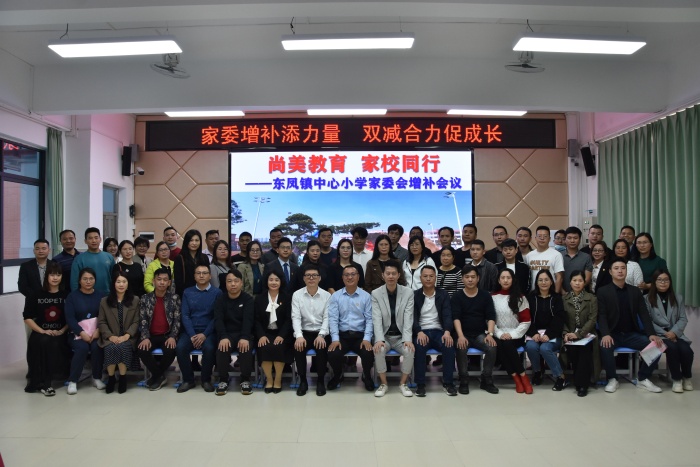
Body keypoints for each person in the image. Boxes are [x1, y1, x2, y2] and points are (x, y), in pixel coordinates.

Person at [598, 258, 664, 393]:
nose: (620, 271)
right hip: (613, 334)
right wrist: (605, 334)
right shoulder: (603, 291)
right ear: (610, 272)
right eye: (616, 268)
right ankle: (612, 379)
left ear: (626, 271)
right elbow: (602, 315)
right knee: (605, 346)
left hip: (631, 334)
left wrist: (651, 334)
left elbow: (644, 314)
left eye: (623, 268)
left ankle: (643, 378)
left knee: (658, 346)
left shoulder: (635, 291)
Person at [451, 265, 499, 394]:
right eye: (467, 277)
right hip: (463, 334)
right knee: (461, 347)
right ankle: (463, 379)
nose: (470, 280)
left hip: (480, 334)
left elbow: (491, 316)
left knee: (492, 347)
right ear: (462, 279)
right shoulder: (457, 296)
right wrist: (460, 336)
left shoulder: (485, 295)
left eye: (473, 277)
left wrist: (490, 334)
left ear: (478, 278)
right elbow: (456, 318)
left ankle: (486, 379)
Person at [23, 262, 69, 396]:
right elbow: (27, 317)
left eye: (58, 275)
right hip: (40, 331)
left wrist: (62, 330)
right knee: (41, 342)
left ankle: (46, 383)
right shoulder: (36, 294)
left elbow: (72, 319)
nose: (55, 278)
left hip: (61, 332)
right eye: (52, 275)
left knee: (51, 343)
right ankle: (42, 382)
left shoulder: (66, 295)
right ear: (47, 276)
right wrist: (42, 331)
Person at [327, 264, 375, 392]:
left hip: (360, 335)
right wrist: (335, 339)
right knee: (333, 353)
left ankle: (367, 376)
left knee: (368, 353)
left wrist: (367, 338)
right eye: (346, 275)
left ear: (358, 277)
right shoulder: (336, 296)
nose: (350, 277)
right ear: (342, 278)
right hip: (342, 335)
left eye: (353, 274)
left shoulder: (366, 296)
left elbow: (370, 319)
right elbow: (333, 319)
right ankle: (338, 375)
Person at [371, 260, 415, 397]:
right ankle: (384, 384)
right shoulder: (376, 293)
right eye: (388, 273)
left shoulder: (408, 292)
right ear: (383, 275)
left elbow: (408, 318)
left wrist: (407, 339)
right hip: (385, 336)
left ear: (398, 275)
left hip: (401, 336)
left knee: (409, 350)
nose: (391, 276)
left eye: (393, 273)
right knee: (379, 350)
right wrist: (379, 339)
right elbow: (376, 319)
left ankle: (403, 383)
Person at [175, 264, 222, 393]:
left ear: (210, 276)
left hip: (209, 332)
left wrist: (204, 334)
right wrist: (192, 334)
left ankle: (206, 380)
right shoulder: (187, 292)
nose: (201, 276)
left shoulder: (217, 293)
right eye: (198, 273)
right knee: (180, 348)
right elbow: (185, 315)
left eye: (205, 273)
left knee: (210, 348)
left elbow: (216, 317)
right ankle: (188, 380)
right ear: (194, 276)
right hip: (190, 331)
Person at [645, 269, 693, 393]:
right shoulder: (647, 299)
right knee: (672, 349)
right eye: (660, 280)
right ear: (654, 282)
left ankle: (687, 377)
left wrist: (674, 332)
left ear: (670, 282)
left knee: (687, 350)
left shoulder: (678, 298)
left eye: (666, 280)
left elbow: (683, 318)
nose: (663, 282)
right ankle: (677, 379)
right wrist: (665, 333)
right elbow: (648, 321)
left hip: (676, 334)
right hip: (659, 335)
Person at [413, 265, 456, 397]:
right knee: (419, 347)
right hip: (422, 331)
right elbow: (412, 317)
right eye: (425, 276)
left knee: (449, 345)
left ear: (435, 278)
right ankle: (420, 384)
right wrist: (418, 331)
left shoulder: (443, 294)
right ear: (420, 278)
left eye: (431, 276)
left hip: (439, 331)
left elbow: (447, 315)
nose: (428, 279)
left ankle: (448, 383)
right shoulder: (415, 295)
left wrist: (447, 331)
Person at [137, 267, 181, 391]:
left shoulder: (174, 298)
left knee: (171, 350)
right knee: (142, 349)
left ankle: (156, 376)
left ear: (169, 282)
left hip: (167, 335)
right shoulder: (145, 298)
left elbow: (177, 320)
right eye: (159, 279)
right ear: (153, 281)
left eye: (165, 280)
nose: (162, 282)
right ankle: (159, 376)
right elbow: (143, 319)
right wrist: (145, 337)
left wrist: (172, 336)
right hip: (151, 335)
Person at [292, 264, 332, 396]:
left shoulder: (326, 295)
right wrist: (299, 336)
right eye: (308, 275)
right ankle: (303, 381)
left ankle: (320, 381)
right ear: (303, 278)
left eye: (314, 275)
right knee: (299, 347)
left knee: (321, 348)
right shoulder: (297, 295)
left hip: (321, 331)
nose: (311, 278)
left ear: (319, 278)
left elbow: (327, 317)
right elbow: (296, 317)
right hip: (304, 332)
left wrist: (322, 335)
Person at [65, 267, 107, 394]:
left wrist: (99, 330)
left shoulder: (101, 296)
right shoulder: (72, 297)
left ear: (95, 280)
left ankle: (96, 377)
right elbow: (70, 318)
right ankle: (73, 381)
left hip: (96, 333)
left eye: (91, 279)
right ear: (79, 281)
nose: (88, 281)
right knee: (82, 348)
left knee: (97, 346)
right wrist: (81, 332)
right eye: (85, 279)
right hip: (77, 334)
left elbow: (105, 316)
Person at [213, 269, 255, 396]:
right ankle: (223, 380)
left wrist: (244, 337)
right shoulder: (220, 299)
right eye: (229, 281)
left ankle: (245, 379)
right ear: (225, 283)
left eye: (236, 281)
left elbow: (248, 320)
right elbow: (218, 320)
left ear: (241, 283)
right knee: (222, 348)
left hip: (244, 333)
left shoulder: (248, 299)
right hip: (227, 334)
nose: (233, 284)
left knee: (245, 348)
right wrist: (223, 336)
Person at [98, 270, 140, 394]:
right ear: (113, 284)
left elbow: (136, 321)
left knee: (123, 347)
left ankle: (122, 378)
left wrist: (127, 335)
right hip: (110, 337)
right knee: (110, 348)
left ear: (128, 284)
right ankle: (111, 378)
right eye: (118, 282)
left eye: (124, 281)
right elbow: (101, 322)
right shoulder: (104, 301)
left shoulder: (135, 300)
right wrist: (110, 336)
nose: (121, 284)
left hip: (128, 337)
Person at [492, 269, 533, 394]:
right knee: (501, 344)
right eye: (503, 278)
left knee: (507, 344)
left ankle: (522, 377)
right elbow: (489, 320)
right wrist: (500, 334)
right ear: (499, 280)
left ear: (513, 280)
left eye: (508, 278)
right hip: (498, 334)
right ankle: (518, 378)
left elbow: (526, 321)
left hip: (516, 334)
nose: (505, 280)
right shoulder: (492, 297)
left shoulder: (521, 298)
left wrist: (511, 334)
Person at [525, 270, 566, 390]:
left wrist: (549, 334)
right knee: (531, 347)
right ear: (537, 282)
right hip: (535, 334)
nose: (543, 282)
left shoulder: (557, 298)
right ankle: (538, 372)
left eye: (546, 280)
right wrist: (533, 333)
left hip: (552, 335)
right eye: (540, 280)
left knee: (545, 348)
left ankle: (560, 376)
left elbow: (559, 319)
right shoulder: (530, 298)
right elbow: (526, 318)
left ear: (551, 282)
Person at [562, 270, 599, 397]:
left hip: (587, 334)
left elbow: (592, 320)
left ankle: (583, 385)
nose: (577, 283)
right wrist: (566, 333)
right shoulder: (564, 299)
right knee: (572, 351)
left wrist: (579, 334)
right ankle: (578, 380)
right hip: (569, 334)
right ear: (570, 282)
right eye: (574, 280)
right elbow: (562, 319)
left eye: (580, 280)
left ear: (584, 282)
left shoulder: (592, 298)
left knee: (584, 352)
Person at [254, 269, 292, 393]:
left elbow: (288, 320)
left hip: (282, 333)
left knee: (278, 347)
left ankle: (278, 379)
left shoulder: (287, 298)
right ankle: (269, 380)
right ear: (266, 281)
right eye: (271, 280)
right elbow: (256, 320)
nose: (274, 282)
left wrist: (281, 335)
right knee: (264, 347)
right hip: (265, 333)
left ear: (281, 282)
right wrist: (261, 335)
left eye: (277, 280)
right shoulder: (259, 298)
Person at [70, 227, 116, 295]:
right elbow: (74, 282)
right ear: (85, 241)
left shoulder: (109, 257)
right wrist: (77, 296)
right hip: (86, 296)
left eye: (96, 238)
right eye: (90, 238)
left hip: (107, 295)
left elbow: (115, 277)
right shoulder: (79, 259)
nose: (94, 241)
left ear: (100, 239)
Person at [525, 226, 564, 293]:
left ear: (549, 239)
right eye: (539, 236)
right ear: (535, 238)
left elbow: (559, 277)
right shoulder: (529, 255)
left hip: (550, 293)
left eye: (545, 236)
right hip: (532, 294)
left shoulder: (556, 255)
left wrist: (555, 295)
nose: (542, 238)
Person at [174, 229, 209, 297]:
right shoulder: (180, 258)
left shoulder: (204, 257)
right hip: (185, 294)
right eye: (191, 240)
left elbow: (207, 277)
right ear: (186, 241)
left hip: (203, 293)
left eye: (197, 240)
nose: (194, 243)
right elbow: (178, 281)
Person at [561, 226, 593, 292]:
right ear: (565, 239)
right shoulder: (558, 256)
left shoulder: (586, 257)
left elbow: (587, 279)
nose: (572, 241)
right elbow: (556, 277)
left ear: (580, 239)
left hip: (581, 294)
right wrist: (562, 292)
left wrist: (575, 292)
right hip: (561, 294)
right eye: (569, 238)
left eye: (575, 238)